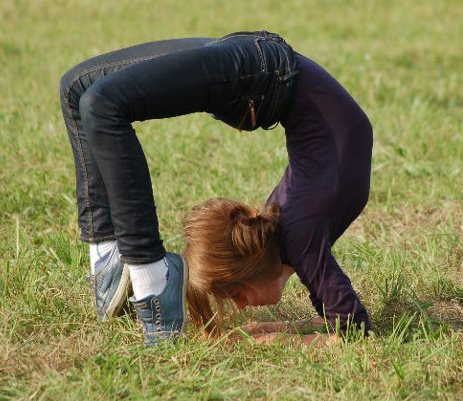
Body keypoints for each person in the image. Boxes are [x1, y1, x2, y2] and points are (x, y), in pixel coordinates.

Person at [59, 30, 372, 346]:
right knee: (77, 88)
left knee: (101, 103)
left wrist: (281, 339)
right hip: (262, 69)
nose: (239, 305)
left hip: (262, 72)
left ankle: (148, 273)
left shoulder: (297, 234)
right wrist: (291, 328)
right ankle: (112, 261)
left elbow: (354, 332)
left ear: (248, 266)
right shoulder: (293, 233)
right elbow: (342, 324)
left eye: (232, 292)